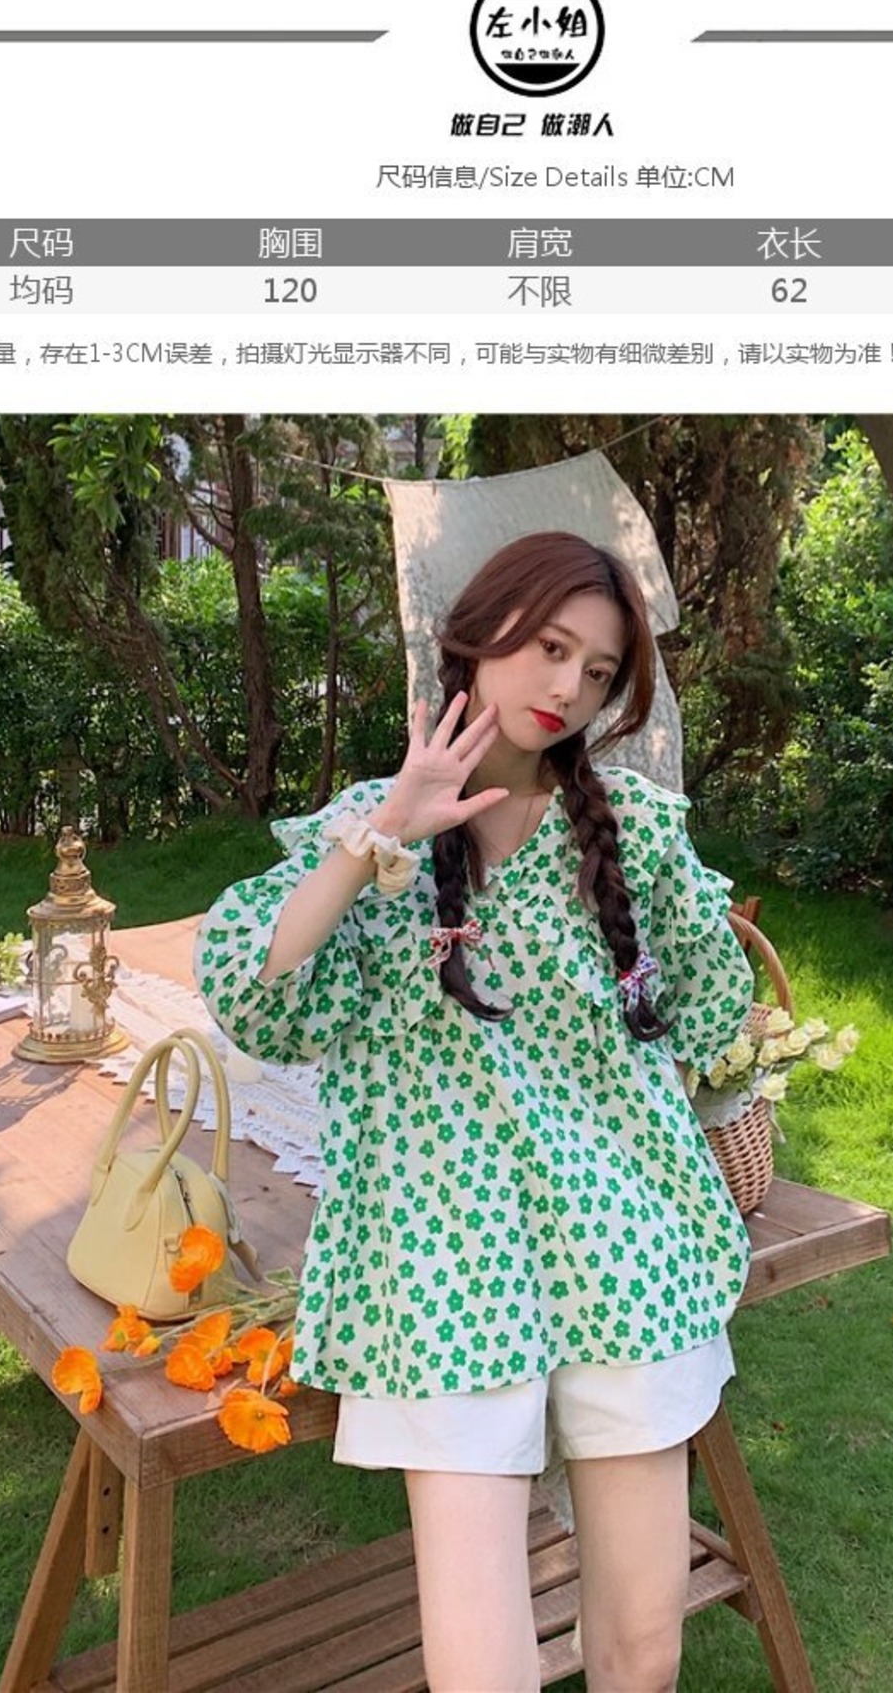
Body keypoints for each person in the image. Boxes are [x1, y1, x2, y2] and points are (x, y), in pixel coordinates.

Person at [195, 530, 756, 1692]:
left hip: (623, 1239)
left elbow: (710, 1003)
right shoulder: (374, 827)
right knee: (481, 1668)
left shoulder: (633, 830)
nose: (566, 686)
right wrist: (383, 833)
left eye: (597, 670)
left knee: (645, 1647)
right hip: (439, 1255)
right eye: (549, 647)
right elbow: (255, 990)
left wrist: (637, 1072)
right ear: (479, 633)